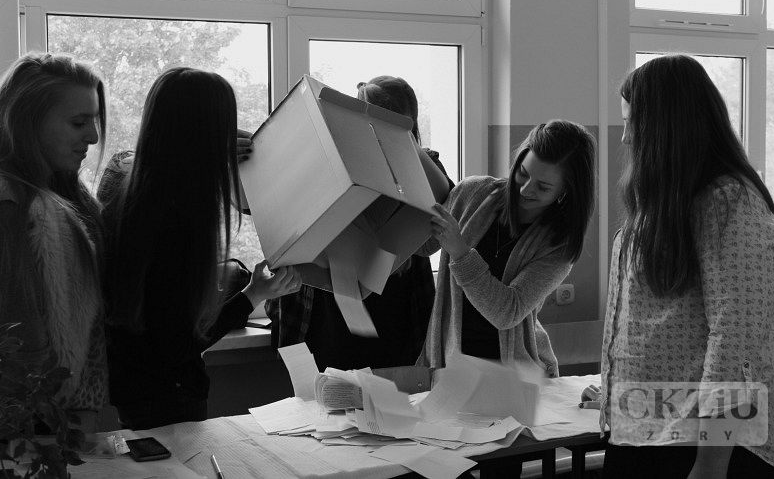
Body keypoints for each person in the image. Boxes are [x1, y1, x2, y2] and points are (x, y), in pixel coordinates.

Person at [600, 54, 774, 478]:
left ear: (667, 128)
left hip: (709, 449)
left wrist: (710, 464)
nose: (626, 138)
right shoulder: (668, 203)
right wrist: (617, 386)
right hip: (649, 429)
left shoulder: (729, 205)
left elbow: (735, 343)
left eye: (633, 123)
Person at [101, 67, 301, 430]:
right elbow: (180, 344)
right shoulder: (176, 220)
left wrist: (211, 157)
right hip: (169, 394)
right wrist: (253, 295)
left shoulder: (126, 192)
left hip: (131, 385)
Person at [267, 75, 452, 370]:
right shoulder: (333, 155)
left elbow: (437, 237)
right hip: (329, 306)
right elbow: (278, 209)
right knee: (334, 388)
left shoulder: (425, 165)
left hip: (396, 307)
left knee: (393, 391)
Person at [419, 119, 597, 375]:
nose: (525, 189)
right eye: (523, 173)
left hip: (515, 377)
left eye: (543, 186)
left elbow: (507, 313)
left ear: (565, 191)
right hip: (450, 364)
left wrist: (460, 253)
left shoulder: (559, 246)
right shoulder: (472, 192)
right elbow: (423, 246)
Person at [0, 52, 108, 432]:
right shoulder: (11, 206)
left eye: (94, 121)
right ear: (27, 122)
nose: (93, 137)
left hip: (60, 426)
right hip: (32, 435)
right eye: (79, 122)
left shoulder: (60, 196)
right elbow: (18, 348)